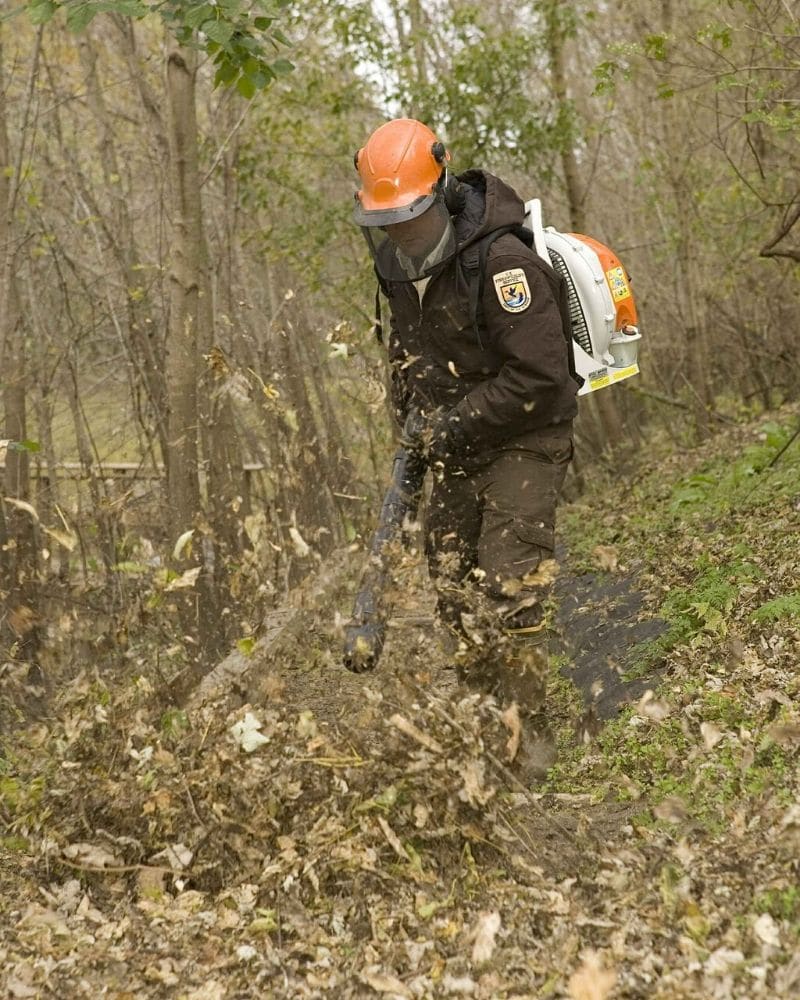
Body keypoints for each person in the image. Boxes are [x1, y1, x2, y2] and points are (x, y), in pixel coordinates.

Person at [352, 118, 579, 781]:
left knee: (510, 577)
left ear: (443, 193)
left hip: (526, 431)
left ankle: (531, 740)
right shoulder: (397, 272)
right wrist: (412, 433)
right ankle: (485, 720)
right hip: (455, 438)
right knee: (452, 582)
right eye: (387, 220)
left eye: (411, 218)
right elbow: (408, 358)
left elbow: (541, 376)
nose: (401, 233)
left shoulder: (502, 261)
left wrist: (448, 429)